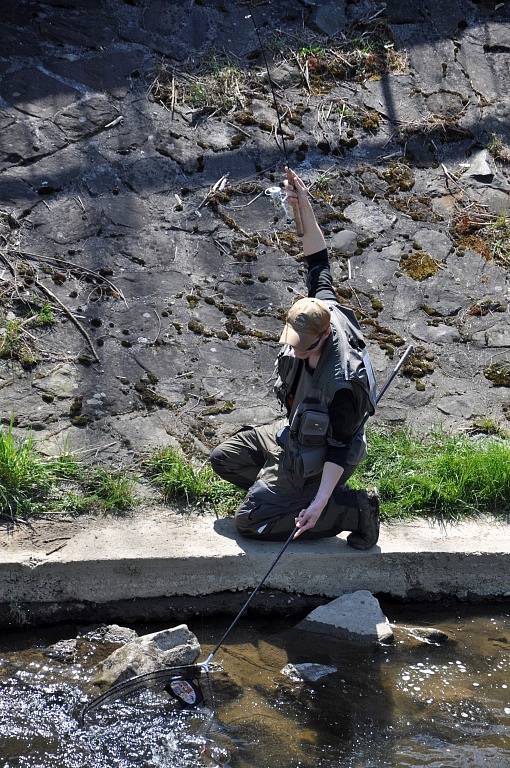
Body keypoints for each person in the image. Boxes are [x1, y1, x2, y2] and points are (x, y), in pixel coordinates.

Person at [209, 168, 380, 549]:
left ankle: (351, 509)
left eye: (301, 347)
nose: (293, 351)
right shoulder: (320, 307)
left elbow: (339, 447)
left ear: (323, 336)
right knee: (224, 459)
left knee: (251, 523)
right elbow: (317, 259)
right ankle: (286, 490)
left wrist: (317, 506)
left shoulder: (345, 386)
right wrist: (302, 206)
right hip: (295, 434)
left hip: (325, 451)